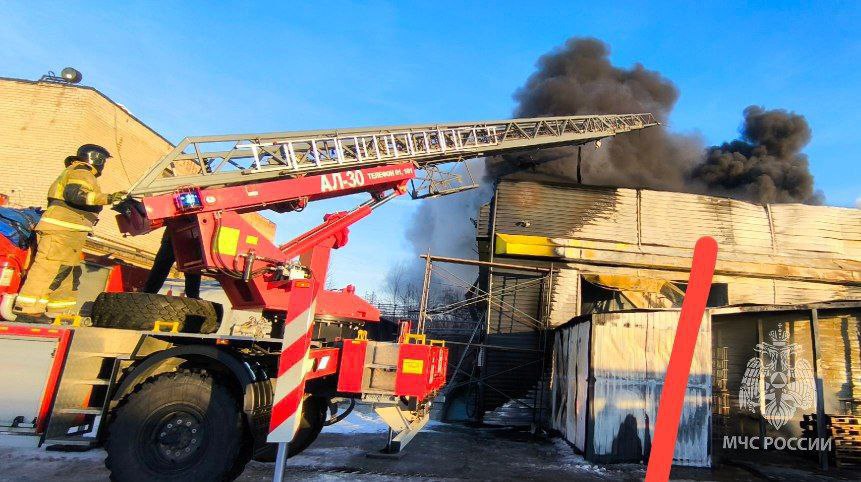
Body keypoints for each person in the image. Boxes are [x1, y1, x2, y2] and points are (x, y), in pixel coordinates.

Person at [13, 144, 127, 322]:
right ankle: (27, 309)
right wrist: (108, 198)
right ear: (96, 158)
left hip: (72, 232)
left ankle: (59, 313)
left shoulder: (83, 173)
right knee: (47, 269)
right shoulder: (82, 171)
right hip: (61, 229)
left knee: (67, 273)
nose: (103, 165)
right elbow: (75, 195)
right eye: (103, 161)